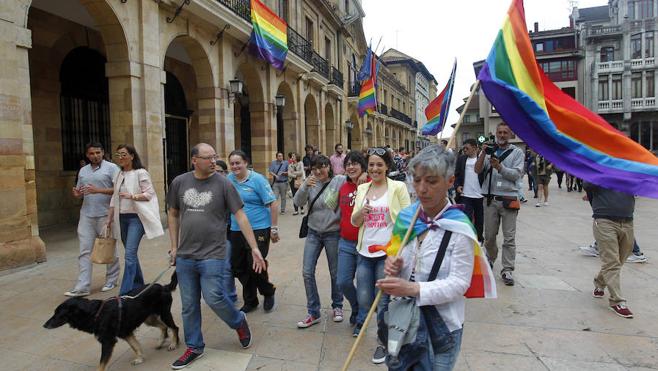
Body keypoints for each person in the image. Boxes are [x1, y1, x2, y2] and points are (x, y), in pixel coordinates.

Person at [167, 143, 266, 369]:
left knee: (214, 297)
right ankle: (194, 346)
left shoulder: (224, 183)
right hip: (185, 255)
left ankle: (238, 321)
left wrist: (254, 247)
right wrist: (174, 246)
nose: (213, 162)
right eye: (208, 158)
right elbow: (173, 213)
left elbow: (240, 216)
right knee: (189, 304)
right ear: (194, 160)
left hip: (213, 252)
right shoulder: (180, 183)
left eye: (215, 157)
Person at [377, 144, 474, 371]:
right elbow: (396, 255)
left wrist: (412, 289)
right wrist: (393, 264)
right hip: (405, 322)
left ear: (450, 182)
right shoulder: (407, 217)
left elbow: (459, 283)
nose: (421, 189)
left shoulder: (459, 227)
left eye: (431, 181)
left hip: (442, 327)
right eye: (417, 179)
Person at [351, 147, 411, 363]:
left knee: (384, 302)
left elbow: (408, 219)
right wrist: (360, 213)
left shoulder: (398, 188)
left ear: (387, 166)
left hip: (387, 253)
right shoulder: (362, 188)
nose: (375, 168)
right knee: (364, 298)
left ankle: (382, 342)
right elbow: (354, 222)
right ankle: (382, 325)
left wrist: (399, 250)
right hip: (364, 251)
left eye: (379, 164)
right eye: (372, 164)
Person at [294, 155, 347, 329]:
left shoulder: (338, 180)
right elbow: (297, 202)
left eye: (322, 167)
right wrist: (303, 186)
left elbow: (354, 178)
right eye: (315, 168)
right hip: (313, 233)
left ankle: (337, 306)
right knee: (307, 272)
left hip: (333, 233)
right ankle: (313, 311)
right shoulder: (310, 183)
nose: (318, 171)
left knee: (335, 272)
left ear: (329, 167)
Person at [107, 144, 163, 296]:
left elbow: (149, 194)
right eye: (118, 155)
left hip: (136, 218)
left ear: (132, 156)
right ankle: (139, 284)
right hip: (122, 218)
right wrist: (109, 218)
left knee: (130, 255)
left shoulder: (140, 173)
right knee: (130, 254)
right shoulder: (118, 175)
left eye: (124, 154)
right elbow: (114, 198)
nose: (121, 158)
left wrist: (132, 196)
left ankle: (125, 292)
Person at [65, 142, 120, 297]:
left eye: (97, 152)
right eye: (91, 153)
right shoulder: (83, 170)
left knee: (109, 248)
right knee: (84, 250)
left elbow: (119, 190)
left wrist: (99, 190)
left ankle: (111, 279)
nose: (95, 156)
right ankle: (82, 286)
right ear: (87, 155)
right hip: (87, 215)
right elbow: (82, 190)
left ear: (103, 152)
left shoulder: (112, 168)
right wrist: (77, 194)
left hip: (106, 215)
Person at [227, 150, 279, 314]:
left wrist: (274, 228)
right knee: (238, 266)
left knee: (254, 264)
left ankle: (268, 291)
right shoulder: (229, 180)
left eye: (238, 163)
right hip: (236, 229)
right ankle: (251, 300)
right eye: (232, 163)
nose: (235, 166)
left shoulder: (257, 180)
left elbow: (273, 203)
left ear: (246, 163)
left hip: (259, 228)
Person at [475, 122, 524, 286]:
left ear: (511, 135)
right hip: (490, 199)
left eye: (505, 132)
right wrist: (482, 152)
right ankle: (490, 258)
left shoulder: (517, 153)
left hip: (509, 199)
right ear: (495, 134)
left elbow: (516, 175)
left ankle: (507, 269)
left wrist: (500, 167)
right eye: (499, 132)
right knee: (489, 237)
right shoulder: (490, 151)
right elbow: (477, 169)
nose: (502, 135)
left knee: (509, 238)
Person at [583, 181, 636, 318]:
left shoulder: (628, 168)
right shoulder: (601, 166)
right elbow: (587, 185)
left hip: (627, 220)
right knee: (612, 261)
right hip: (604, 220)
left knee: (621, 258)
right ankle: (617, 301)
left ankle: (600, 282)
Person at [337, 151, 368, 328]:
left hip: (365, 243)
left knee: (364, 286)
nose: (351, 167)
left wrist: (368, 175)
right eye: (348, 164)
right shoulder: (343, 186)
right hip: (346, 242)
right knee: (343, 281)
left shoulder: (371, 184)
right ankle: (356, 307)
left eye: (355, 163)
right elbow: (330, 205)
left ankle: (361, 320)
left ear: (362, 166)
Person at [454, 139, 485, 242]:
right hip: (465, 195)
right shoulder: (462, 159)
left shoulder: (482, 159)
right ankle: (467, 240)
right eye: (464, 148)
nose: (465, 150)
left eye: (467, 148)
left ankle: (479, 239)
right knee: (466, 220)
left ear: (475, 148)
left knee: (479, 220)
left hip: (480, 195)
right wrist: (457, 186)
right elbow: (457, 175)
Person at [216, 159, 237, 304]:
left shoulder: (229, 187)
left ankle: (230, 295)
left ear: (225, 173)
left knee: (226, 265)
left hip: (229, 232)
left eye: (220, 171)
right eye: (214, 171)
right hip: (213, 234)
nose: (216, 174)